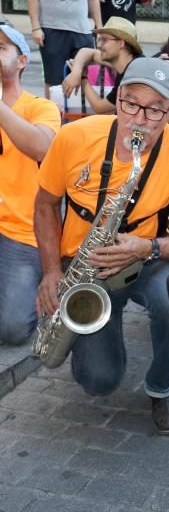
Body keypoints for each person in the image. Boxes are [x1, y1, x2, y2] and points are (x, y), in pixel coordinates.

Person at [34, 57, 169, 434]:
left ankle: (162, 384)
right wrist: (52, 270)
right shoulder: (74, 137)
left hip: (143, 256)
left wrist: (147, 248)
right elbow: (44, 204)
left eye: (155, 110)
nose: (139, 119)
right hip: (84, 264)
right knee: (99, 382)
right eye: (131, 104)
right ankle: (95, 332)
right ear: (117, 99)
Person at [0, 25, 61, 345]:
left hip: (22, 232)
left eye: (0, 48)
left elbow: (42, 147)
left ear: (22, 61)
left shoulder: (41, 107)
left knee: (11, 329)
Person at [28, 0, 102, 98]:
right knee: (54, 82)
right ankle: (54, 115)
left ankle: (81, 115)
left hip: (82, 30)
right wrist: (35, 27)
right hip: (52, 28)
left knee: (85, 78)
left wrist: (100, 28)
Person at [61, 16, 143, 115]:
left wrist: (83, 78)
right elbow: (87, 51)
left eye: (104, 40)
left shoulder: (133, 75)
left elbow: (100, 107)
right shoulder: (125, 60)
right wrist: (76, 73)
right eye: (99, 40)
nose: (99, 45)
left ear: (121, 43)